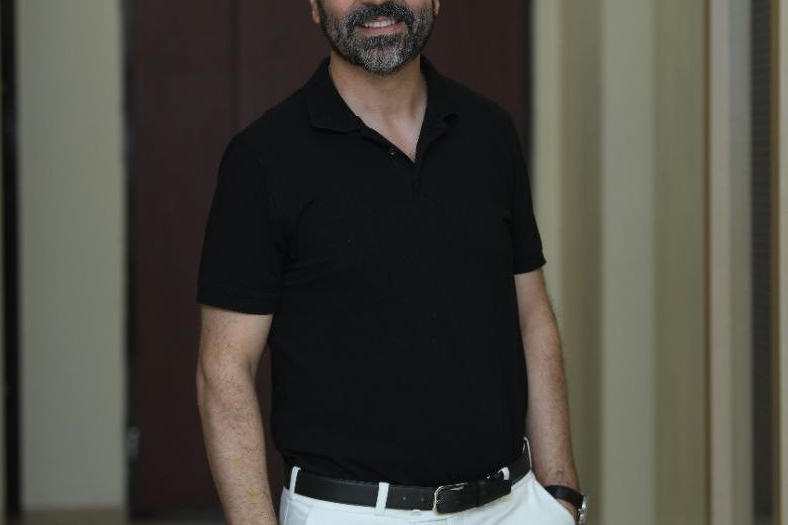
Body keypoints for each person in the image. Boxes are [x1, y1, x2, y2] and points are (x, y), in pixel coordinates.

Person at [195, 1, 587, 524]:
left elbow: (532, 316)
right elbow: (224, 370)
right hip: (352, 512)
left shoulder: (490, 132)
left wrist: (560, 493)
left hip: (512, 505)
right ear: (314, 6)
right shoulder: (262, 161)